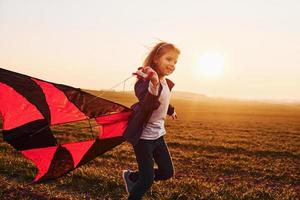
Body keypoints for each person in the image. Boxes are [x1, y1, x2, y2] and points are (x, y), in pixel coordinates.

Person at [122, 42, 180, 200]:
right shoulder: (144, 82)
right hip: (143, 139)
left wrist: (171, 110)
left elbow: (163, 100)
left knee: (167, 172)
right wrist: (153, 82)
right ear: (155, 59)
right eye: (168, 59)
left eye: (175, 62)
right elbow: (148, 103)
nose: (172, 64)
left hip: (159, 136)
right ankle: (137, 184)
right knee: (146, 180)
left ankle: (132, 177)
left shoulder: (165, 82)